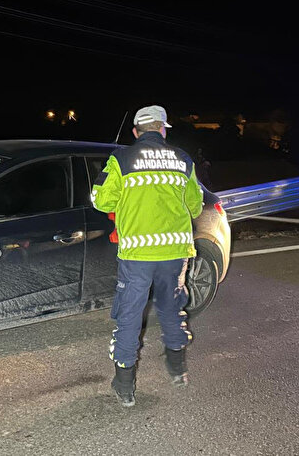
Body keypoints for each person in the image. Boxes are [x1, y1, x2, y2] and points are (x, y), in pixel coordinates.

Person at [90, 105, 204, 407]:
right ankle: (178, 371)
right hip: (175, 252)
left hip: (138, 254)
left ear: (135, 132)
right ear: (163, 130)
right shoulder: (182, 160)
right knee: (171, 308)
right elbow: (195, 205)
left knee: (130, 315)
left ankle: (125, 386)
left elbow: (102, 200)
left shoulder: (122, 159)